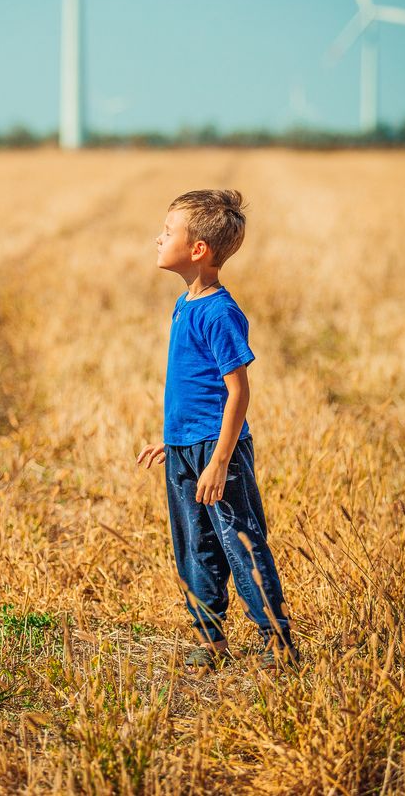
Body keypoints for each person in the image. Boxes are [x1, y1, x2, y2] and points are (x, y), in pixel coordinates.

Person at [136, 189, 300, 672]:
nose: (158, 238)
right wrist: (173, 439)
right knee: (194, 544)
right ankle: (210, 638)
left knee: (240, 542)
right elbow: (195, 387)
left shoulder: (219, 312)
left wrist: (220, 459)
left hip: (216, 451)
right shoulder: (186, 303)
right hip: (186, 446)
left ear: (197, 250)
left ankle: (277, 642)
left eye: (168, 233)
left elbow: (237, 392)